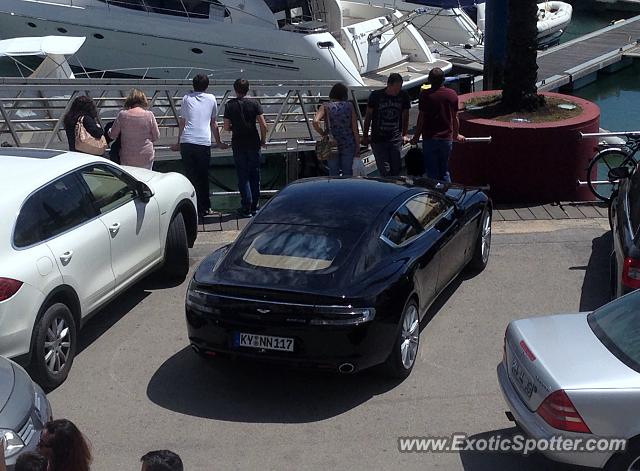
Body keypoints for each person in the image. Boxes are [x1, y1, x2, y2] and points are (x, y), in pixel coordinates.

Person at [171, 74, 227, 220]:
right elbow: (213, 123)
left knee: (190, 177)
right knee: (203, 177)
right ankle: (205, 207)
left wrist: (178, 143)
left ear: (193, 85)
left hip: (187, 141)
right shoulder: (212, 99)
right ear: (207, 86)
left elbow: (182, 123)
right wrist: (219, 142)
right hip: (203, 141)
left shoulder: (186, 98)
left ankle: (191, 207)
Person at [410, 67, 465, 182]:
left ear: (429, 80)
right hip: (446, 139)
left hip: (429, 138)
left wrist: (415, 137)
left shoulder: (425, 95)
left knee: (432, 173)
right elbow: (455, 117)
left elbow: (421, 118)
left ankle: (434, 197)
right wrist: (457, 134)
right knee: (444, 170)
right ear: (443, 80)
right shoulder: (452, 94)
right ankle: (446, 195)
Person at [223, 78, 267, 217]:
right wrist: (263, 140)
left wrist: (233, 127)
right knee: (255, 173)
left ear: (235, 89)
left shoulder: (230, 105)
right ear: (248, 89)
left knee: (243, 175)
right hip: (253, 141)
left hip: (238, 143)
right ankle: (255, 206)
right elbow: (263, 125)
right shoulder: (255, 103)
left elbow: (225, 127)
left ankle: (246, 205)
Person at [362, 73, 411, 177]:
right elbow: (368, 116)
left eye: (399, 88)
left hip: (395, 139)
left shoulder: (403, 96)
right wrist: (365, 135)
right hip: (378, 139)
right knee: (384, 170)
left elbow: (405, 115)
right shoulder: (376, 96)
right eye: (395, 89)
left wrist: (405, 134)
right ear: (389, 85)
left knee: (396, 169)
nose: (397, 91)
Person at [312, 82, 360, 177]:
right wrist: (358, 145)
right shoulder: (349, 106)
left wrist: (323, 134)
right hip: (348, 143)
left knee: (333, 173)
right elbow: (355, 128)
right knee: (348, 173)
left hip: (332, 143)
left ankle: (335, 190)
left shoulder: (325, 106)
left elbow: (315, 121)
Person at [109, 89, 160, 169]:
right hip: (146, 156)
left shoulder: (122, 115)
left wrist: (109, 130)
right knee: (146, 178)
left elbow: (113, 135)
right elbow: (156, 136)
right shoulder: (149, 115)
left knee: (129, 180)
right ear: (143, 100)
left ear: (129, 100)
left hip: (127, 157)